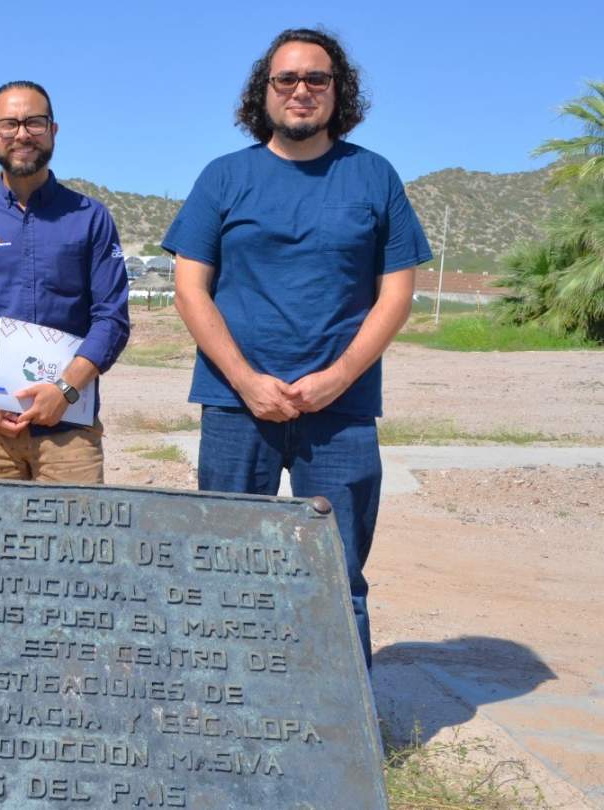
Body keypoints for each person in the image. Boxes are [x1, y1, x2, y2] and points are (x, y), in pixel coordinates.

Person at [164, 29, 432, 667]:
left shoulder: (373, 176)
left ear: (340, 92)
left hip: (339, 413)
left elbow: (395, 296)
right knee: (226, 568)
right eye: (287, 79)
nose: (302, 90)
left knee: (337, 575)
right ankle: (225, 715)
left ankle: (348, 743)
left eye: (318, 79)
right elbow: (190, 290)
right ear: (265, 92)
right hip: (236, 408)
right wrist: (248, 381)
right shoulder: (225, 177)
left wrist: (338, 378)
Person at [0, 81, 130, 482]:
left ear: (54, 131)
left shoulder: (90, 218)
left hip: (69, 429)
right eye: (9, 124)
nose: (22, 134)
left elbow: (111, 318)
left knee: (76, 542)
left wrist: (66, 391)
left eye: (34, 123)